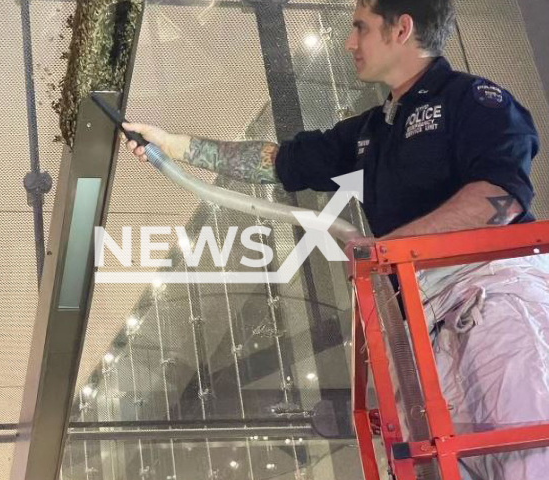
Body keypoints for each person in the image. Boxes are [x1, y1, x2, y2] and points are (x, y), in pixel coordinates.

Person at [122, 0, 549, 478]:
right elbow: (278, 161)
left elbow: (501, 196)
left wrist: (389, 249)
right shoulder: (372, 130)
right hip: (419, 323)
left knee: (528, 457)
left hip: (487, 297)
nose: (349, 42)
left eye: (360, 28)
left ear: (401, 29)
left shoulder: (471, 100)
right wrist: (173, 145)